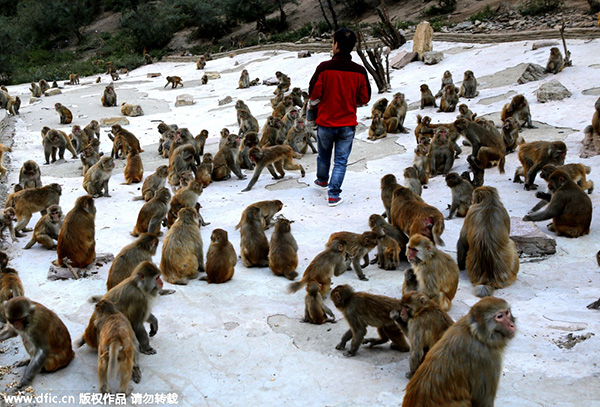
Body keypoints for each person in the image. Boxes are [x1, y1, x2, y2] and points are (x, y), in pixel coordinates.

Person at [308, 27, 371, 207]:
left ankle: (322, 180)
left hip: (326, 123)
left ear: (336, 45)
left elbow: (313, 94)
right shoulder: (359, 71)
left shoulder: (324, 68)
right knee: (341, 161)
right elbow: (364, 98)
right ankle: (334, 195)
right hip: (347, 124)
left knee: (324, 155)